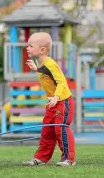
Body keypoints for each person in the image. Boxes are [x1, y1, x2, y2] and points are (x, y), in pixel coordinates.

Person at [23, 32, 76, 167]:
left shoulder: (50, 64)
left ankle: (69, 159)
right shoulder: (42, 63)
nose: (27, 48)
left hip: (63, 102)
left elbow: (62, 82)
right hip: (53, 103)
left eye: (30, 45)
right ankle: (41, 158)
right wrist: (36, 69)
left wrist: (56, 97)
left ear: (42, 50)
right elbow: (45, 73)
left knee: (61, 129)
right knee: (47, 130)